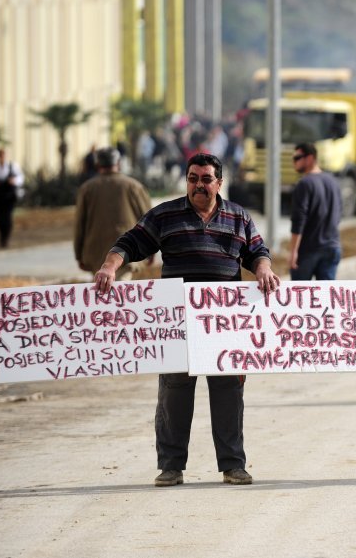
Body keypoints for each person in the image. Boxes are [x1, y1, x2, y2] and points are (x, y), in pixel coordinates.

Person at [93, 152, 280, 487]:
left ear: (219, 183)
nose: (199, 185)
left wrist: (264, 269)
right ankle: (171, 466)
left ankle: (233, 465)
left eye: (206, 179)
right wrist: (110, 265)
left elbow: (257, 253)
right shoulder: (166, 215)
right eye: (193, 178)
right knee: (174, 395)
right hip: (177, 325)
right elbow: (131, 242)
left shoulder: (239, 217)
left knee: (228, 394)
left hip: (226, 325)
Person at [74, 147, 153, 280]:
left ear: (97, 165)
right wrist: (151, 250)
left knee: (103, 294)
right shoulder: (134, 186)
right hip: (128, 252)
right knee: (122, 293)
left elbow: (79, 225)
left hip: (96, 254)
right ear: (119, 163)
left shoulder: (87, 189)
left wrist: (79, 255)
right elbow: (150, 221)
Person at [289, 142, 343, 281]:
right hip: (332, 247)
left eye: (297, 158)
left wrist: (294, 251)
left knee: (299, 297)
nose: (294, 162)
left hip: (309, 249)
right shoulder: (333, 181)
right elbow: (338, 214)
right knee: (326, 298)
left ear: (310, 158)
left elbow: (299, 220)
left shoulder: (304, 184)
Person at [0, 148, 25, 248]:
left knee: (7, 218)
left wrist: (13, 181)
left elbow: (21, 178)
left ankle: (5, 238)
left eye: (3, 155)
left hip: (9, 197)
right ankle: (1, 237)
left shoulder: (12, 166)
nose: (1, 157)